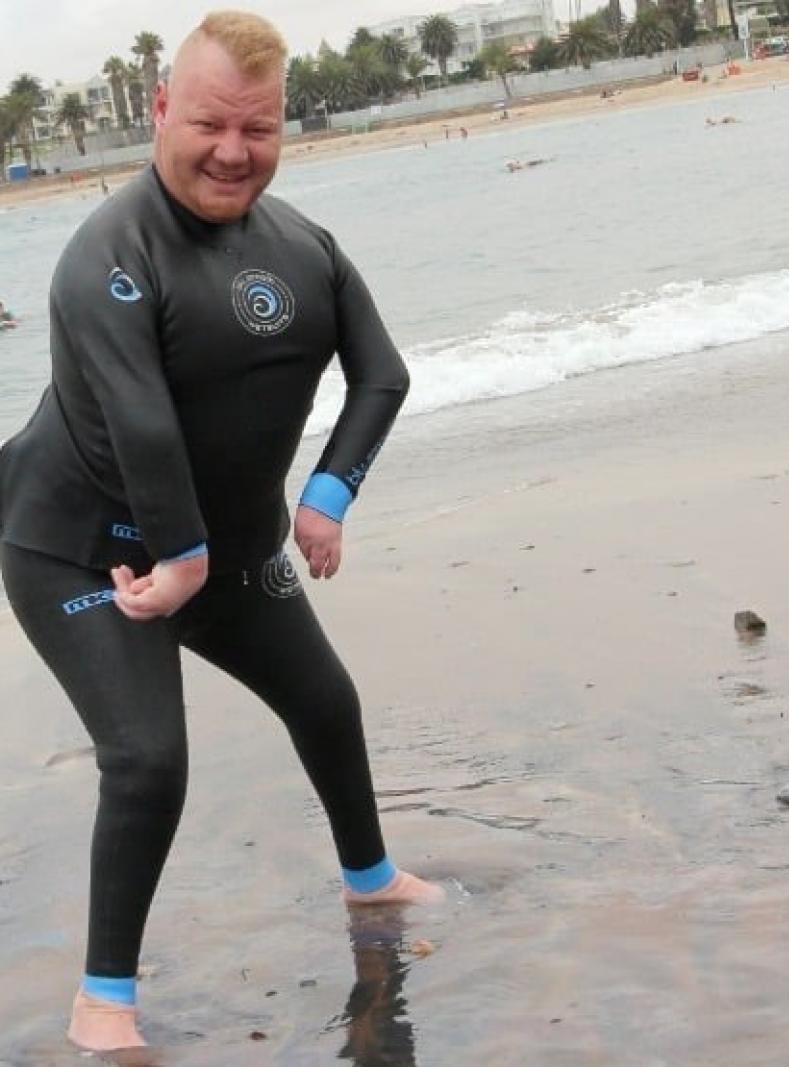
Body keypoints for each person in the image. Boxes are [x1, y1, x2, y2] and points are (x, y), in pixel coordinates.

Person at [0, 10, 444, 1055]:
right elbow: (142, 424)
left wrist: (328, 493)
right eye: (208, 123)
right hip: (78, 544)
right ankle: (102, 1001)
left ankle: (371, 885)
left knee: (325, 699)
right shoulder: (105, 257)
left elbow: (381, 373)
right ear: (160, 110)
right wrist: (184, 555)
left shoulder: (303, 249)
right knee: (149, 757)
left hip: (225, 546)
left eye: (258, 129)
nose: (232, 151)